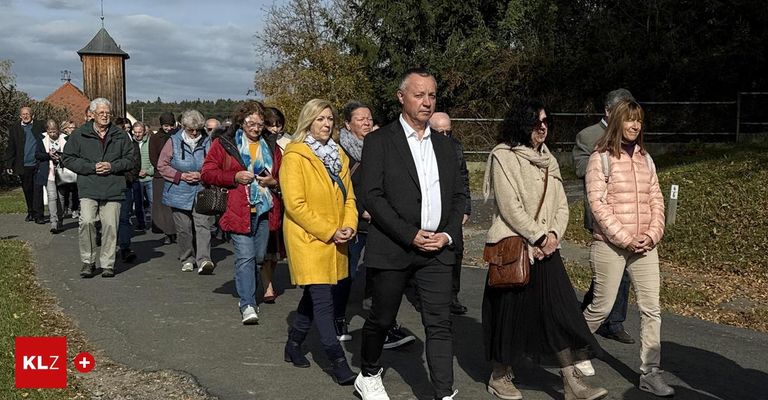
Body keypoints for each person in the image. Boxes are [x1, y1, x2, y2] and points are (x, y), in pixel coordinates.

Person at [481, 100, 607, 400]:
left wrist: (552, 236)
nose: (543, 127)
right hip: (514, 248)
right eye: (537, 122)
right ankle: (499, 376)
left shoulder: (548, 159)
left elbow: (562, 205)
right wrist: (537, 237)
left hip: (548, 250)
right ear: (522, 125)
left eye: (546, 122)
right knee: (508, 315)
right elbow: (510, 206)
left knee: (559, 312)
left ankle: (571, 381)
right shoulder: (503, 156)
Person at [355, 69, 465, 400]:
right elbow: (371, 196)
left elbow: (459, 195)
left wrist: (446, 235)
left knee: (439, 323)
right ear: (401, 97)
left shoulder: (446, 146)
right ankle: (369, 373)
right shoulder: (379, 141)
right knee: (382, 317)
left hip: (437, 249)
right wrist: (410, 234)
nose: (427, 102)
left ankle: (444, 393)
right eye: (419, 95)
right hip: (393, 246)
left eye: (432, 95)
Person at [582, 99, 674, 397]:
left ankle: (650, 373)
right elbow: (597, 204)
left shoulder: (646, 158)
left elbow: (656, 198)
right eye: (629, 120)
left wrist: (653, 233)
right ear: (618, 121)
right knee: (601, 308)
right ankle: (572, 351)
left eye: (639, 121)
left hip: (645, 246)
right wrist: (624, 237)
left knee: (652, 310)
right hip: (611, 245)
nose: (635, 126)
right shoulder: (601, 158)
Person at [279, 99, 357, 385]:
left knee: (314, 297)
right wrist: (329, 230)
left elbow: (349, 196)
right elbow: (295, 205)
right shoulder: (295, 156)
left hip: (336, 236)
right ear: (308, 122)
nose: (326, 124)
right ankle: (338, 362)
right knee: (324, 300)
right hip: (308, 237)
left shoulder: (339, 154)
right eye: (320, 119)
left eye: (330, 119)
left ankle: (293, 344)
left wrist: (348, 225)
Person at [201, 101, 282, 323]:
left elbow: (284, 176)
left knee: (257, 258)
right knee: (245, 257)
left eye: (260, 123)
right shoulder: (225, 144)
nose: (256, 127)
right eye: (251, 122)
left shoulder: (272, 145)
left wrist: (274, 181)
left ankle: (246, 294)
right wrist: (234, 177)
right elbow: (207, 173)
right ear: (241, 121)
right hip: (237, 208)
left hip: (265, 209)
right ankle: (248, 304)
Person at [573, 89, 637, 351]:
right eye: (620, 111)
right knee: (612, 271)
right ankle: (603, 320)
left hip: (631, 216)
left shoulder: (632, 137)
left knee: (619, 272)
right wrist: (606, 156)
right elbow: (579, 169)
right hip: (603, 215)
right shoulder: (588, 136)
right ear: (608, 112)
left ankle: (604, 317)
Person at [61, 98, 135, 278]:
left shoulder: (120, 135)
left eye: (107, 113)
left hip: (113, 186)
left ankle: (108, 263)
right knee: (86, 221)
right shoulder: (79, 135)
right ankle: (88, 261)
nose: (105, 116)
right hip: (89, 185)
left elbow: (131, 159)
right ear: (92, 115)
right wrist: (91, 167)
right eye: (101, 113)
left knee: (110, 225)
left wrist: (112, 166)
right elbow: (67, 158)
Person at [333, 100, 373, 341]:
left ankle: (380, 321)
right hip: (352, 221)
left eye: (369, 118)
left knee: (378, 273)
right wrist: (360, 210)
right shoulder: (340, 152)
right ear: (348, 125)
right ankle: (338, 317)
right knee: (346, 273)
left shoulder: (379, 147)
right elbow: (340, 189)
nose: (367, 122)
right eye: (360, 119)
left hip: (379, 221)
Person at [158, 110, 215, 273]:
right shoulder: (173, 142)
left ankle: (204, 259)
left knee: (203, 225)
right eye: (191, 129)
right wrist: (180, 176)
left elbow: (213, 165)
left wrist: (202, 174)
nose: (195, 132)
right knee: (184, 228)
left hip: (201, 189)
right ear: (183, 127)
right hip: (178, 191)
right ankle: (187, 257)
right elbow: (162, 165)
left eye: (198, 129)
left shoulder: (207, 141)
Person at [429, 112, 471, 315]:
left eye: (449, 131)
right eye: (440, 132)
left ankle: (452, 296)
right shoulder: (424, 149)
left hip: (453, 210)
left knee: (456, 252)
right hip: (431, 210)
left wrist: (466, 208)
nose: (445, 136)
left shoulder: (455, 147)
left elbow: (464, 177)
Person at [259, 107, 288, 303]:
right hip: (260, 199)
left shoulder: (289, 142)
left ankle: (269, 280)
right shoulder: (255, 143)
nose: (275, 128)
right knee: (265, 245)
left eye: (278, 124)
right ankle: (266, 285)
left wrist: (277, 183)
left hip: (281, 197)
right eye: (270, 124)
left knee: (276, 249)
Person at [5, 106, 45, 223]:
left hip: (38, 163)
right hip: (23, 165)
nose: (25, 116)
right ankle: (31, 212)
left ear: (32, 115)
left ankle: (39, 215)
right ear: (20, 116)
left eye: (27, 114)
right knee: (27, 189)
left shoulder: (39, 126)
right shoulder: (15, 128)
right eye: (23, 114)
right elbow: (11, 147)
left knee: (38, 189)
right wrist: (9, 164)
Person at [34, 119, 67, 233]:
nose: (53, 134)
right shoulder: (41, 138)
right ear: (47, 131)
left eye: (55, 131)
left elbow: (71, 155)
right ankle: (54, 222)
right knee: (52, 196)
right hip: (49, 172)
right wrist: (49, 155)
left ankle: (60, 220)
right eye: (50, 132)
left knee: (61, 198)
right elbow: (37, 154)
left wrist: (60, 157)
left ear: (58, 129)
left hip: (62, 173)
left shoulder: (65, 138)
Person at [150, 112, 178, 245]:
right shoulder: (155, 138)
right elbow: (153, 157)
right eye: (166, 126)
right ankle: (167, 232)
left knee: (174, 205)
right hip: (160, 175)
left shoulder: (178, 136)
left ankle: (176, 231)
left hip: (176, 174)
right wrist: (163, 169)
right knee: (162, 206)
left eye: (170, 125)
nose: (168, 128)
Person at [132, 122, 153, 229]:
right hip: (136, 178)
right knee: (138, 203)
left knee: (152, 202)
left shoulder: (150, 142)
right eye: (135, 132)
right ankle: (141, 223)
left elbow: (155, 160)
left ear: (144, 131)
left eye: (139, 132)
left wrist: (148, 171)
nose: (137, 134)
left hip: (149, 177)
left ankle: (155, 223)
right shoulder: (131, 143)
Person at [58, 120, 80, 219]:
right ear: (65, 129)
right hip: (65, 166)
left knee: (75, 190)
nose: (72, 130)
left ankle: (75, 209)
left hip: (75, 166)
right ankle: (65, 207)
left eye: (74, 128)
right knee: (65, 188)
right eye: (70, 128)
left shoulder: (78, 139)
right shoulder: (62, 139)